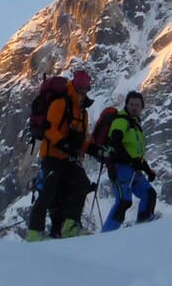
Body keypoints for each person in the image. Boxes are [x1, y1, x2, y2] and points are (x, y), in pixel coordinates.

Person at [25, 68, 96, 241]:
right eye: (81, 85)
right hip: (52, 155)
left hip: (68, 158)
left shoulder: (83, 112)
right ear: (75, 84)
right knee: (48, 191)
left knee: (82, 183)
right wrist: (65, 146)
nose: (84, 89)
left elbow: (82, 138)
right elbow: (50, 130)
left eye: (86, 86)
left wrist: (93, 149)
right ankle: (34, 232)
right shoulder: (61, 103)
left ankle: (71, 225)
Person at [101, 91, 157, 232]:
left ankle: (142, 227)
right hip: (120, 169)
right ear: (126, 104)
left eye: (137, 105)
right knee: (124, 201)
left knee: (149, 193)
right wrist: (132, 162)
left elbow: (136, 154)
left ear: (141, 107)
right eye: (131, 104)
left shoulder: (135, 125)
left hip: (132, 170)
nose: (134, 107)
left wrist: (147, 170)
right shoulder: (121, 121)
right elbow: (115, 143)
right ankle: (106, 236)